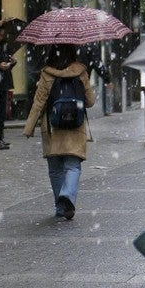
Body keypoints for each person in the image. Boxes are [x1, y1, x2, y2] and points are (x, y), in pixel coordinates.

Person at [23, 44, 96, 220]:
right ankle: (67, 196)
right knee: (72, 166)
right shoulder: (80, 72)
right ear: (73, 52)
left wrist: (29, 127)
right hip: (75, 128)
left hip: (52, 128)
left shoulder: (47, 74)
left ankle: (60, 206)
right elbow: (91, 101)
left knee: (55, 169)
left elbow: (39, 103)